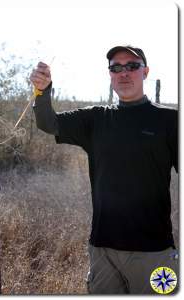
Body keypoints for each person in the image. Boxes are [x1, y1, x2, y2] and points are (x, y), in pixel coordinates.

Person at [30, 45, 178, 295]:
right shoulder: (95, 119)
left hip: (154, 252)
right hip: (102, 250)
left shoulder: (170, 121)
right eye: (116, 67)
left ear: (145, 72)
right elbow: (48, 122)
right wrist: (42, 91)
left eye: (132, 66)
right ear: (110, 74)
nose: (124, 73)